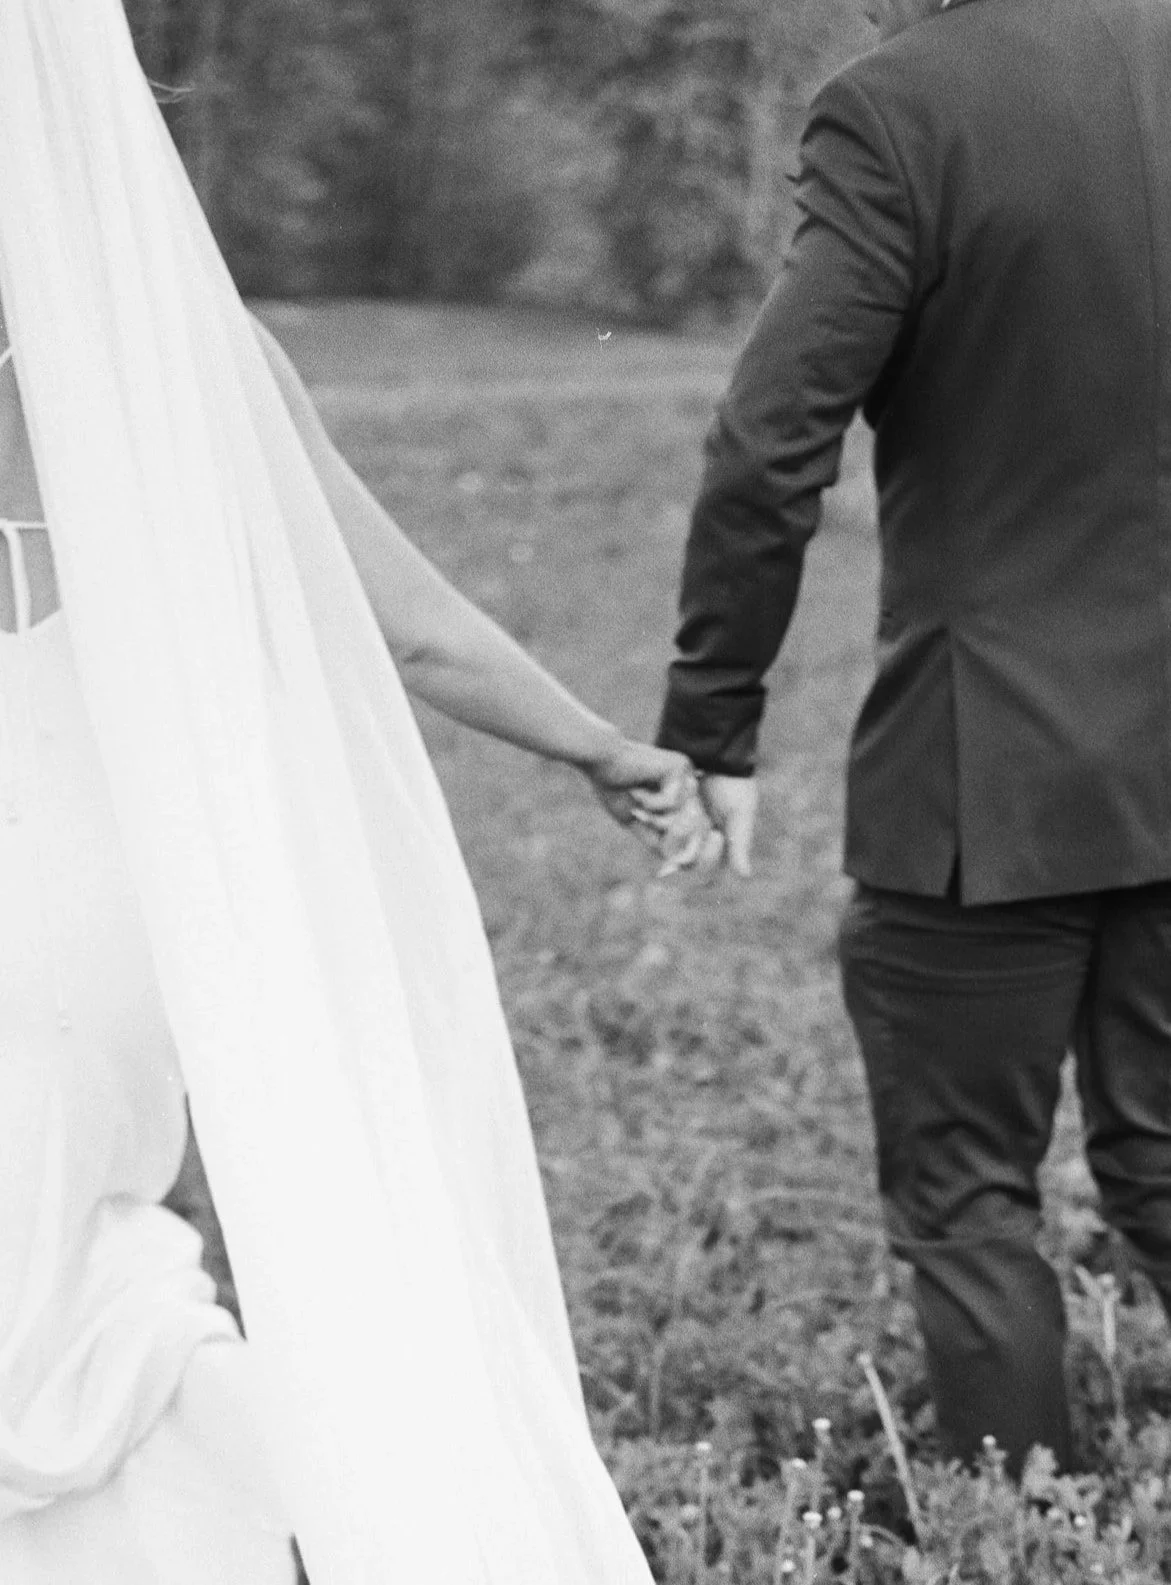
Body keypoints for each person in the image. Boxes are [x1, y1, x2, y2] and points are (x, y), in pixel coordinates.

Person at [0, 1, 700, 1580]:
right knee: (100, 1289)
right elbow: (407, 625)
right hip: (118, 905)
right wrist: (599, 743)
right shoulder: (176, 349)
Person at [656, 0, 1171, 1477]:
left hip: (985, 766)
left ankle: (1023, 1538)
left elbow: (769, 444)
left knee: (965, 1202)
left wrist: (714, 724)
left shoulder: (898, 107)